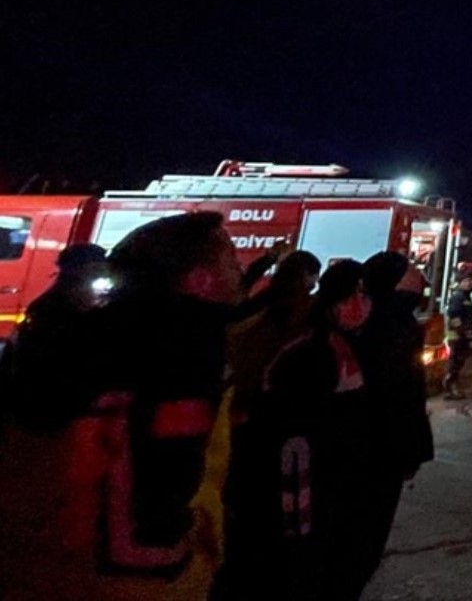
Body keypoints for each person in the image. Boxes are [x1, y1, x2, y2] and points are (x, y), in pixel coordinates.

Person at [0, 212, 243, 601]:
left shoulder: (89, 332)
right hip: (133, 578)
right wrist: (193, 560)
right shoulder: (183, 349)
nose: (241, 269)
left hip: (46, 563)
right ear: (199, 279)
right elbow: (168, 479)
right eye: (230, 259)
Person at [257, 259, 376, 601]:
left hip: (332, 473)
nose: (363, 302)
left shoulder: (338, 341)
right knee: (304, 559)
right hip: (312, 473)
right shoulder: (314, 347)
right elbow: (306, 421)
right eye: (358, 293)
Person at [213, 248, 321, 601]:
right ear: (305, 277)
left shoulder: (255, 304)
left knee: (240, 500)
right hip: (270, 418)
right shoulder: (298, 313)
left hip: (235, 411)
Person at [352, 251, 436, 585]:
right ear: (396, 281)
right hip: (381, 449)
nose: (420, 276)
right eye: (413, 270)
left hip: (380, 447)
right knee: (366, 533)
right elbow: (400, 395)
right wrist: (410, 448)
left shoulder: (386, 319)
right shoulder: (391, 326)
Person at [5, 242, 110, 430]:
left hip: (41, 405)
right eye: (96, 267)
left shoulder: (50, 304)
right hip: (49, 409)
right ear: (80, 270)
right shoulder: (59, 309)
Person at [444, 273, 472, 399]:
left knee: (459, 361)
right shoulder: (458, 297)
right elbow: (454, 315)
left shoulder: (465, 297)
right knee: (455, 362)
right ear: (460, 283)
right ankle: (449, 389)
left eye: (470, 280)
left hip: (461, 335)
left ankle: (453, 386)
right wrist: (463, 331)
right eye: (466, 280)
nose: (469, 283)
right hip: (457, 336)